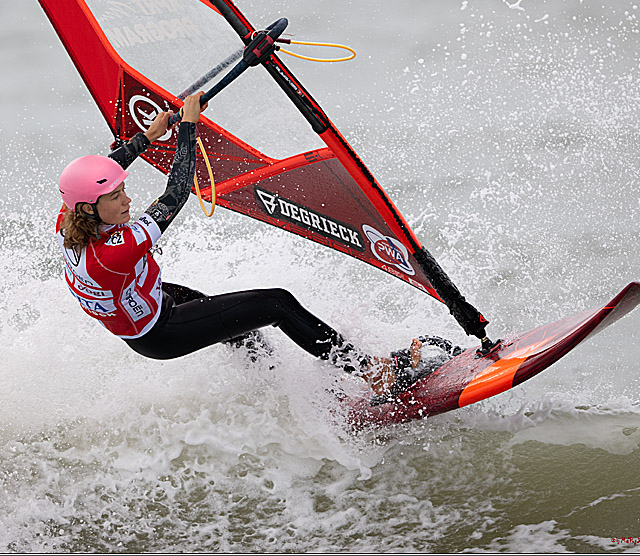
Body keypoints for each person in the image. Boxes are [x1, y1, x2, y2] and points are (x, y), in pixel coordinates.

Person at [56, 92, 427, 400]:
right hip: (159, 331)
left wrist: (149, 136)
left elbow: (106, 165)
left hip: (144, 299)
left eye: (123, 190)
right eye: (116, 197)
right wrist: (187, 127)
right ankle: (372, 373)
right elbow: (176, 193)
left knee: (237, 323)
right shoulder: (113, 254)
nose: (127, 200)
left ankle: (277, 384)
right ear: (90, 207)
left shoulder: (69, 217)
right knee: (275, 303)